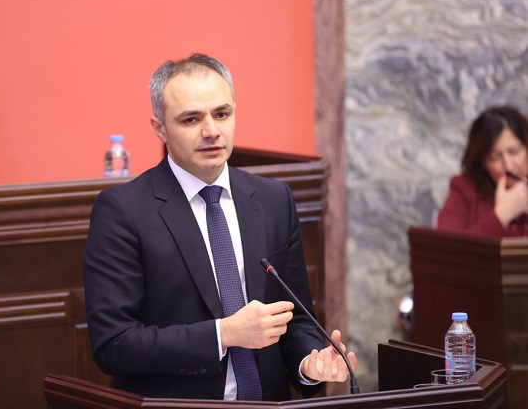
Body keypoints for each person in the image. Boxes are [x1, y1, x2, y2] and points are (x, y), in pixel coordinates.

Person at [83, 53, 357, 401]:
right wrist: (223, 334)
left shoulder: (273, 199)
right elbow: (114, 344)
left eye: (222, 114)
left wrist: (309, 363)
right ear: (160, 128)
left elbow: (296, 319)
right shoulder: (123, 211)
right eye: (191, 119)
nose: (211, 131)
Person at [437, 105, 528, 236]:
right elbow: (446, 246)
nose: (508, 166)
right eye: (494, 157)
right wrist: (503, 214)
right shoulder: (465, 189)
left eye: (514, 152)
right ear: (482, 161)